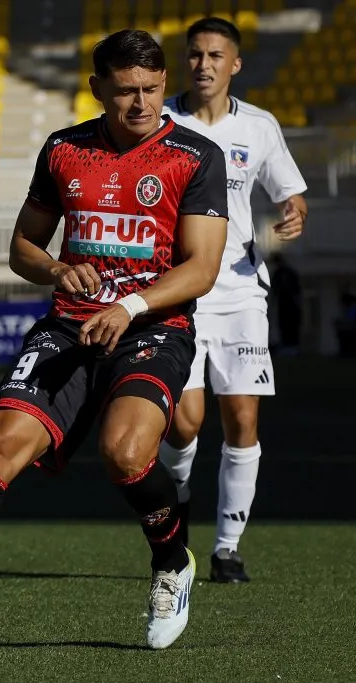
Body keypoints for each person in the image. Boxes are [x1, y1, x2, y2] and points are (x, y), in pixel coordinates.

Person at [0, 29, 228, 660]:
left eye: (150, 89)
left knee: (125, 451)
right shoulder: (64, 149)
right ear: (96, 90)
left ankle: (172, 561)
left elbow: (202, 268)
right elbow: (22, 248)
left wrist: (130, 304)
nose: (139, 104)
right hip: (68, 326)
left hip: (152, 328)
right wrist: (58, 270)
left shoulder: (195, 156)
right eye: (124, 92)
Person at [161, 17, 307, 583]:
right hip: (178, 293)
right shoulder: (161, 123)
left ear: (235, 64)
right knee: (183, 425)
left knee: (242, 419)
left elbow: (290, 195)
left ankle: (226, 550)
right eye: (195, 54)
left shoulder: (260, 127)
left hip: (242, 292)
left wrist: (292, 216)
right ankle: (175, 517)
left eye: (216, 55)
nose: (204, 64)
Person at [269, 252, 302, 355]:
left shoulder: (284, 273)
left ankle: (291, 347)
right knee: (285, 325)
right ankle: (288, 346)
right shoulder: (281, 273)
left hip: (288, 304)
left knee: (289, 325)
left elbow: (296, 289)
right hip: (285, 304)